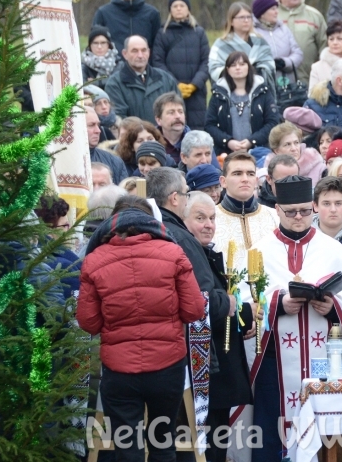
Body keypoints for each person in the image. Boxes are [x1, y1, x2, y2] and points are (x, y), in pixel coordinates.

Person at [77, 195, 205, 462]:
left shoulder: (94, 259)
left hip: (119, 371)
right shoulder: (173, 252)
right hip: (166, 366)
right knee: (163, 445)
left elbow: (88, 323)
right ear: (151, 221)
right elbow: (194, 310)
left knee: (127, 449)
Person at [250, 175, 342, 461]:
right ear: (277, 209)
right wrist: (279, 303)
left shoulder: (332, 249)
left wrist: (333, 307)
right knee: (271, 432)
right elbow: (246, 303)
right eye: (291, 212)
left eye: (305, 210)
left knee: (325, 437)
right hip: (275, 364)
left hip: (324, 361)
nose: (299, 217)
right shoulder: (260, 251)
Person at [182, 192, 254, 462]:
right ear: (183, 220)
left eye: (212, 218)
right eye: (200, 218)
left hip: (218, 374)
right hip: (204, 373)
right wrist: (242, 309)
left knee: (216, 446)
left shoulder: (208, 254)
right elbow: (206, 303)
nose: (208, 224)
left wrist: (242, 317)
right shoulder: (189, 254)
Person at [146, 168, 230, 365]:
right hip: (183, 352)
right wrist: (228, 303)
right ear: (175, 198)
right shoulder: (181, 238)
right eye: (185, 193)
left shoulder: (147, 230)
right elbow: (203, 300)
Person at [210, 152, 279, 274]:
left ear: (256, 180)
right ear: (223, 181)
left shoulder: (275, 217)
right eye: (237, 174)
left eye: (250, 174)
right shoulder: (210, 220)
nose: (245, 179)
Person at [152, 0, 211, 130]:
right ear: (170, 10)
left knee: (197, 130)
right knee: (173, 127)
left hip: (196, 93)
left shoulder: (199, 32)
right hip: (170, 92)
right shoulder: (162, 33)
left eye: (182, 5)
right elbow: (158, 61)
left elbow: (206, 61)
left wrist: (195, 84)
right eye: (175, 6)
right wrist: (175, 84)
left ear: (188, 9)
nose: (178, 8)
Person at [205, 51, 280, 156]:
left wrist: (252, 141)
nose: (237, 68)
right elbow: (209, 125)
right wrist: (228, 141)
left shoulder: (263, 91)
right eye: (233, 65)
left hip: (259, 152)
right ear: (227, 69)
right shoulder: (218, 93)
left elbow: (273, 122)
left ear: (248, 67)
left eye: (242, 64)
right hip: (225, 154)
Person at [105, 35, 180, 122]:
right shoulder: (115, 84)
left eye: (144, 50)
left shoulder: (166, 79)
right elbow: (119, 117)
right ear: (125, 54)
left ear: (149, 52)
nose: (140, 55)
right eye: (135, 51)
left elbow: (178, 111)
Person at [92, 0, 161, 52]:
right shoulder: (103, 13)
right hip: (113, 64)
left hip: (144, 64)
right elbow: (95, 43)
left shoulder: (152, 13)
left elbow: (158, 46)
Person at [209, 2, 276, 89]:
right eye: (242, 17)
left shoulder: (260, 42)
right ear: (231, 21)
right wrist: (237, 74)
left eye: (249, 17)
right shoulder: (221, 44)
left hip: (259, 91)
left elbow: (269, 66)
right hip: (231, 91)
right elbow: (214, 69)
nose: (246, 20)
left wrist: (253, 74)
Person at [276, 0, 328, 81]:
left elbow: (325, 46)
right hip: (277, 80)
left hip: (308, 80)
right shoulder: (271, 15)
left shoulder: (314, 15)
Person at [251, 0, 304, 86]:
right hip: (262, 85)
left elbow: (298, 53)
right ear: (262, 13)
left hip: (287, 84)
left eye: (276, 8)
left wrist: (285, 63)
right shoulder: (251, 32)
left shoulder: (284, 29)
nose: (276, 12)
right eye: (272, 9)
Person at [86, 108, 128, 184]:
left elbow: (123, 193)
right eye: (91, 125)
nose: (98, 131)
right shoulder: (60, 161)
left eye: (98, 125)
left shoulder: (114, 161)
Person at [151, 92, 190, 165]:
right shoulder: (150, 143)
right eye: (171, 113)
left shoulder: (198, 141)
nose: (178, 116)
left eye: (180, 112)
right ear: (159, 120)